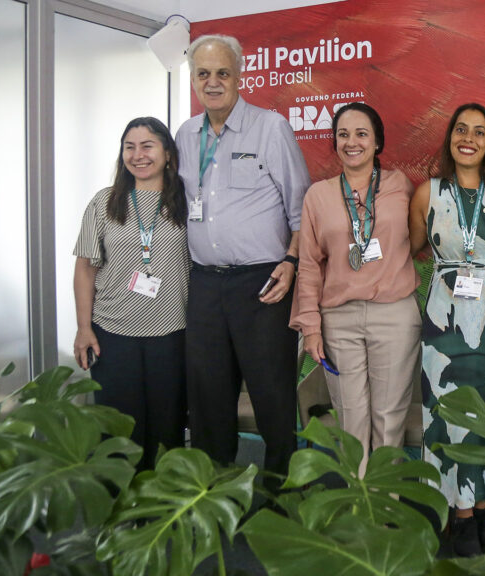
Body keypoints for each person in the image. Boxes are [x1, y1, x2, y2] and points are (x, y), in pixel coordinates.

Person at [175, 34, 309, 486]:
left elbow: (300, 208)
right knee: (208, 397)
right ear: (193, 80)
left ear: (240, 75)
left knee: (272, 395)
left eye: (222, 73)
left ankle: (280, 497)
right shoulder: (184, 135)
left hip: (262, 283)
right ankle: (212, 494)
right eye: (203, 74)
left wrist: (291, 262)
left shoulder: (271, 128)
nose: (212, 82)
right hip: (204, 285)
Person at [408, 103, 485, 557]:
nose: (469, 138)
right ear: (450, 138)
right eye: (462, 129)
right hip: (446, 321)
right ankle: (459, 514)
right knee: (449, 408)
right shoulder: (428, 193)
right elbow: (414, 249)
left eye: (480, 132)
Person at [290, 102, 421, 473]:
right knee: (350, 420)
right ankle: (359, 509)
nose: (352, 142)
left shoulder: (401, 186)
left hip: (394, 315)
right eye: (343, 134)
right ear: (334, 142)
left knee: (389, 419)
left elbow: (416, 241)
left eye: (361, 134)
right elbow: (310, 265)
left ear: (377, 141)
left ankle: (384, 508)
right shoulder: (318, 195)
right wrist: (311, 329)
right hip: (339, 320)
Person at [73, 116, 189, 470]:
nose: (138, 155)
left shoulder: (187, 201)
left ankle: (161, 508)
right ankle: (120, 509)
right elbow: (85, 269)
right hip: (112, 334)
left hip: (171, 333)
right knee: (119, 432)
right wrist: (83, 327)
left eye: (147, 146)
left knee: (167, 429)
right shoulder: (104, 202)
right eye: (129, 147)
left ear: (167, 154)